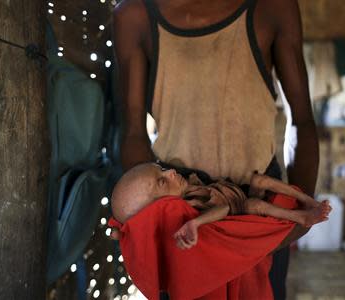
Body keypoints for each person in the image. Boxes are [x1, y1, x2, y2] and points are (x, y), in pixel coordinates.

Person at [112, 0, 318, 298]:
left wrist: (299, 216)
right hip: (185, 217)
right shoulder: (136, 15)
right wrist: (148, 224)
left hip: (258, 212)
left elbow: (302, 121)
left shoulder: (273, 7)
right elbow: (133, 131)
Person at [111, 163, 331, 249]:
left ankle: (309, 201)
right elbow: (223, 210)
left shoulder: (185, 186)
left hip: (236, 190)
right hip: (240, 207)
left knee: (259, 180)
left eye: (160, 169)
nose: (170, 173)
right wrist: (196, 223)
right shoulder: (189, 208)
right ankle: (301, 217)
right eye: (162, 181)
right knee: (254, 204)